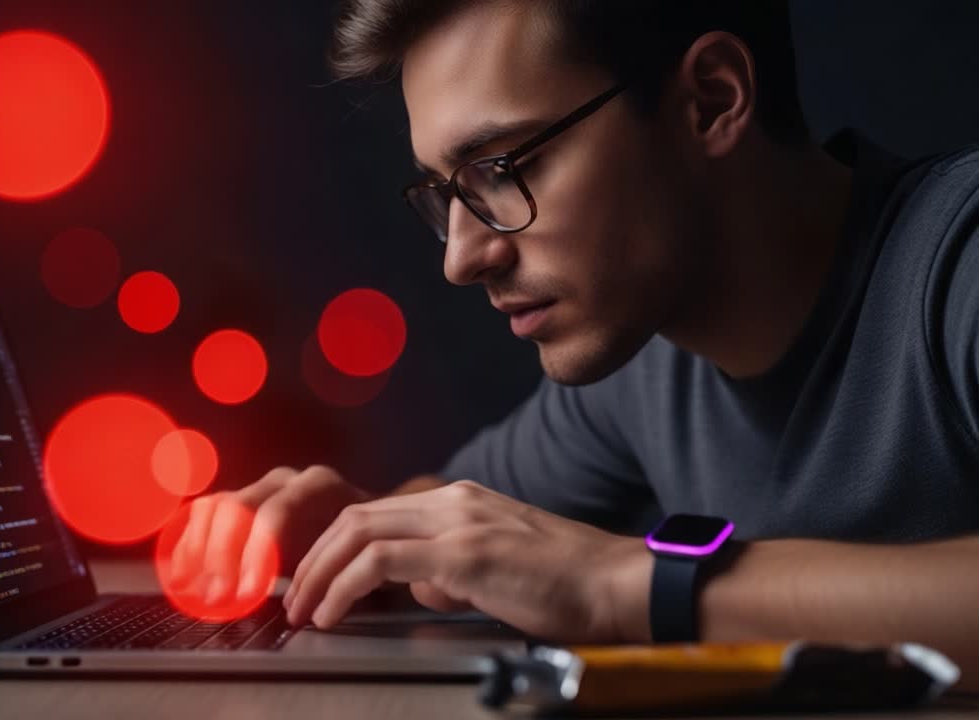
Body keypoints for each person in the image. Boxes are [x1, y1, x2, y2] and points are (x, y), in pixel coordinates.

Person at [170, 0, 979, 689]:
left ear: (710, 100)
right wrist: (354, 535)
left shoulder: (960, 260)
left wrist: (624, 584)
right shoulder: (641, 366)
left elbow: (585, 579)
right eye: (447, 192)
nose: (460, 258)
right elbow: (472, 528)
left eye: (500, 166)